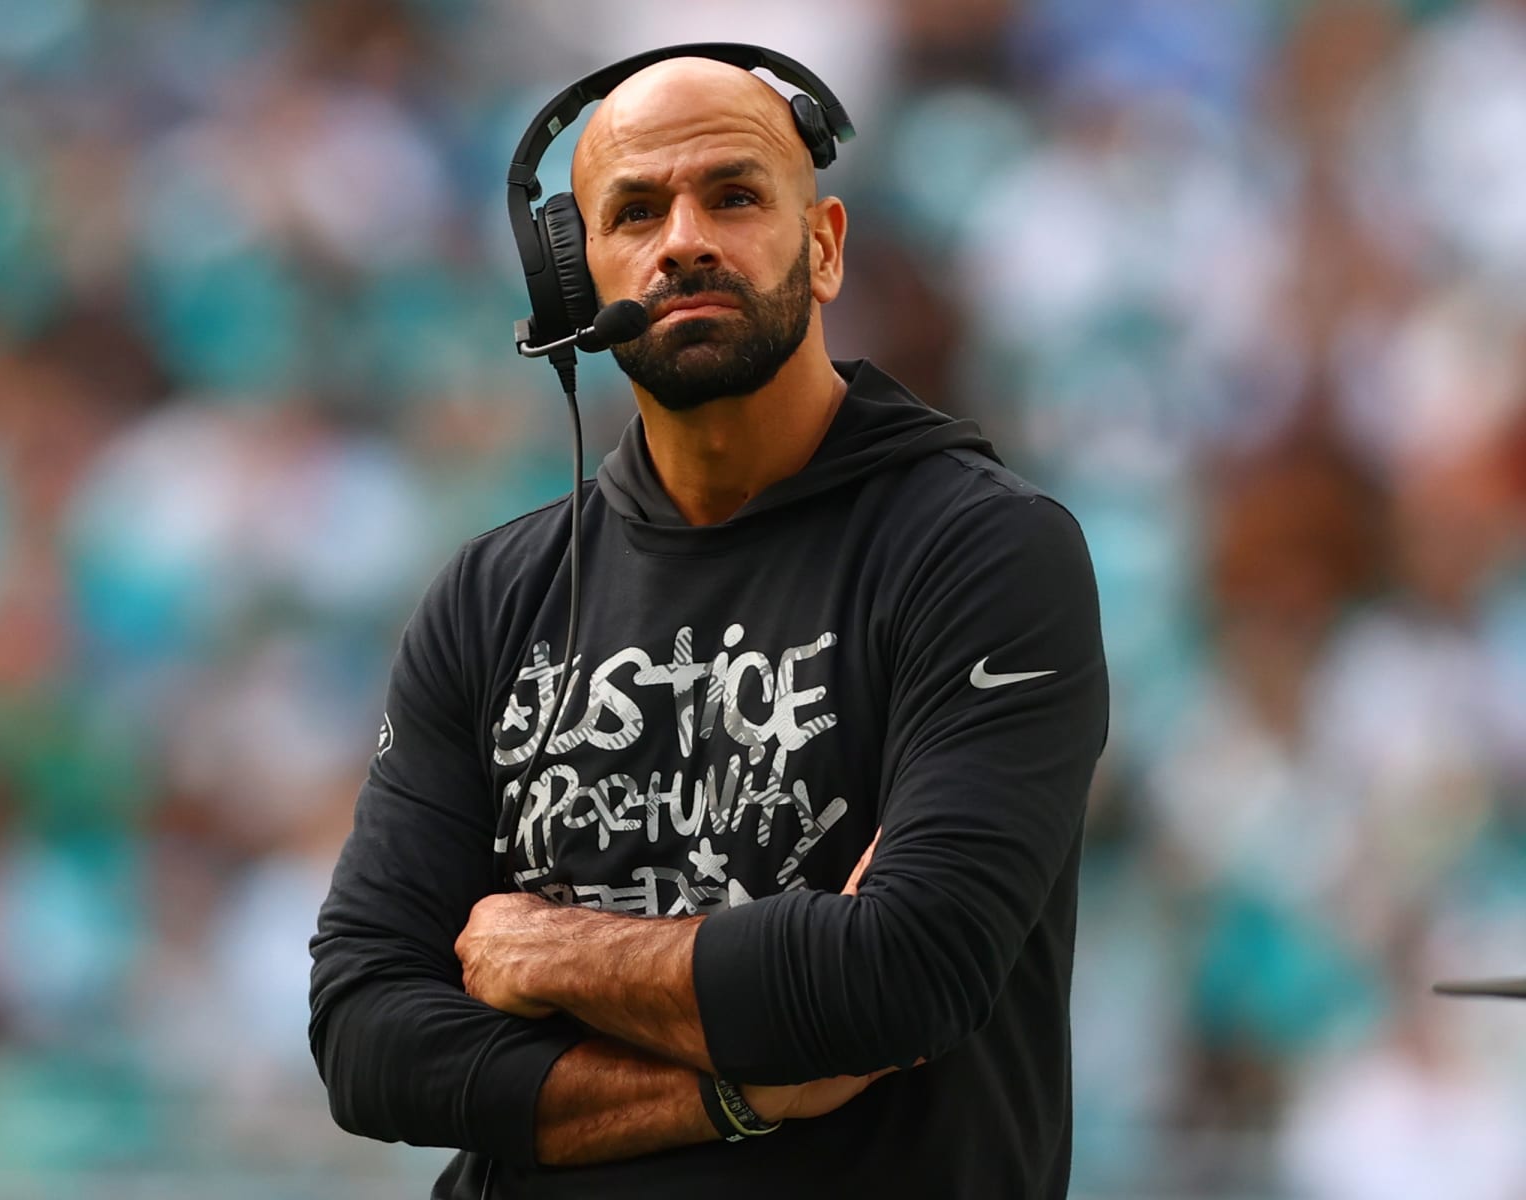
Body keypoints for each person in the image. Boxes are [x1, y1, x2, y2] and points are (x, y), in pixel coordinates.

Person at [308, 50, 1108, 1199]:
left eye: (733, 195)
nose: (683, 239)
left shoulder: (983, 551)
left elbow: (907, 973)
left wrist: (550, 952)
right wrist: (734, 1092)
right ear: (574, 280)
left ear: (824, 245)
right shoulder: (488, 598)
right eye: (635, 210)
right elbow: (368, 1035)